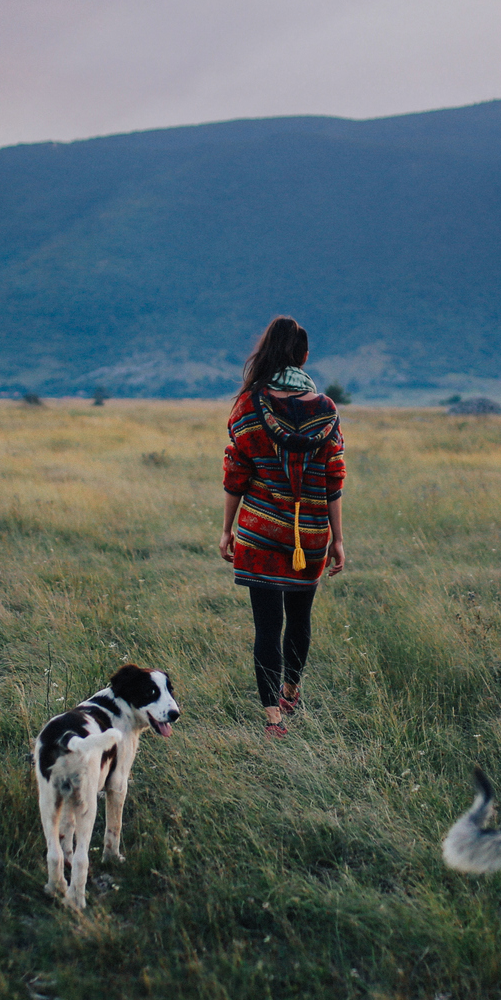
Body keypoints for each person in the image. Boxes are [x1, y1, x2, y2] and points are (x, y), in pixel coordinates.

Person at [220, 315, 346, 737]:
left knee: (267, 626)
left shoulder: (249, 406)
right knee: (300, 618)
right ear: (304, 357)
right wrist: (339, 540)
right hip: (309, 536)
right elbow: (333, 479)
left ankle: (273, 718)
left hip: (259, 534)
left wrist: (227, 528)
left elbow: (236, 472)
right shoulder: (326, 411)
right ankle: (291, 691)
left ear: (268, 352)